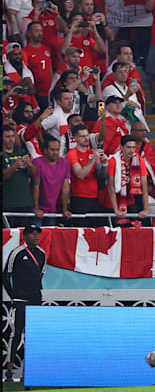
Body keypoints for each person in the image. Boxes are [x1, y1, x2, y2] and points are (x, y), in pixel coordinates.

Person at [2, 225, 45, 382]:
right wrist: (14, 295)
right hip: (20, 300)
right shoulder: (17, 253)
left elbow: (39, 275)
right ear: (25, 236)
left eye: (37, 234)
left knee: (33, 336)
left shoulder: (42, 254)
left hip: (36, 300)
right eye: (32, 234)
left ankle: (29, 372)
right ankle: (9, 371)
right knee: (16, 334)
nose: (35, 236)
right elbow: (6, 276)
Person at [32, 137, 72, 225]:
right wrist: (36, 208)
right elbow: (36, 186)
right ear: (45, 150)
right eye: (52, 150)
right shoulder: (37, 163)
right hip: (37, 209)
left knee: (49, 236)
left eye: (57, 149)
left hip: (52, 210)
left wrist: (64, 209)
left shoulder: (65, 163)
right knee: (35, 234)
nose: (55, 152)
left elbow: (65, 188)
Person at [3, 125, 36, 227]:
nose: (11, 139)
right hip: (8, 203)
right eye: (7, 136)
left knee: (25, 236)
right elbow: (3, 177)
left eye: (13, 136)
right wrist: (14, 166)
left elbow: (34, 174)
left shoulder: (22, 152)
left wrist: (30, 165)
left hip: (25, 202)